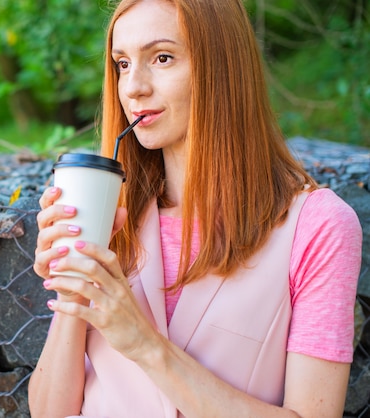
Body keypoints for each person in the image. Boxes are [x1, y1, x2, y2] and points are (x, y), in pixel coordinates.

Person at [28, 0, 363, 417]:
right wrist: (73, 285)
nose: (133, 87)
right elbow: (49, 411)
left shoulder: (317, 226)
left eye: (162, 57)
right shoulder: (113, 214)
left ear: (222, 68)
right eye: (123, 64)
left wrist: (146, 345)